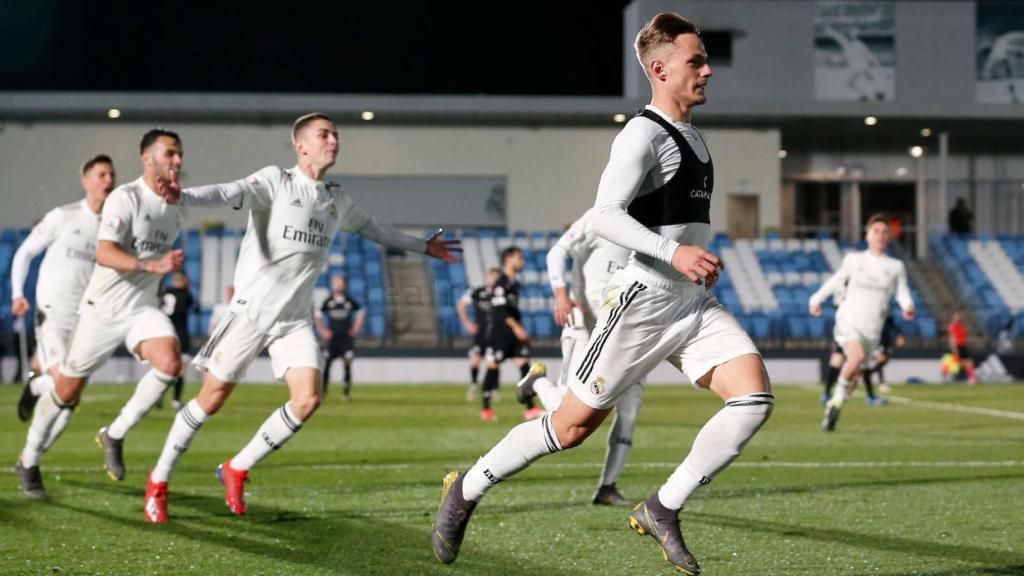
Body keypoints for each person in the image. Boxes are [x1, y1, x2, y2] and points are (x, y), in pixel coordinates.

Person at [432, 15, 774, 575]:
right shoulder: (641, 133)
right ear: (660, 70)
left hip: (689, 303)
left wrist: (689, 258)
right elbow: (604, 216)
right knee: (569, 429)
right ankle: (465, 489)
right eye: (697, 61)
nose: (708, 69)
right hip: (640, 303)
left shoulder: (693, 134)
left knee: (753, 399)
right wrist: (674, 253)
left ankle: (662, 507)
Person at [142, 113, 461, 523]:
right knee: (210, 400)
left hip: (293, 319)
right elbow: (226, 191)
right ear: (301, 145)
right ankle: (159, 481)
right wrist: (181, 197)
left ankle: (237, 467)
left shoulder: (336, 200)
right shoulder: (275, 182)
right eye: (324, 134)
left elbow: (377, 229)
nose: (334, 141)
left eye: (336, 135)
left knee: (308, 398)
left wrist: (423, 247)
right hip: (250, 313)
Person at [15, 131, 189, 499]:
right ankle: (29, 460)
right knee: (66, 392)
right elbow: (105, 253)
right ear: (147, 158)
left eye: (180, 154)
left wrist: (160, 270)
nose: (177, 160)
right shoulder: (124, 199)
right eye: (169, 153)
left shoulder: (177, 206)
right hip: (100, 312)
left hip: (141, 309)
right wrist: (153, 266)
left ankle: (114, 433)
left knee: (171, 363)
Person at [516, 207, 640, 506]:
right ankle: (538, 382)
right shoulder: (602, 217)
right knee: (564, 411)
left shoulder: (649, 230)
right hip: (584, 325)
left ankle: (607, 487)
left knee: (629, 414)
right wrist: (561, 293)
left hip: (628, 334)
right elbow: (556, 252)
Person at [10, 155, 116, 426]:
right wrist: (17, 294)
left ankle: (36, 383)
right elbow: (25, 253)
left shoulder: (113, 227)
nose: (109, 180)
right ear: (85, 182)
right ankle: (30, 455)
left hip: (85, 316)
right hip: (52, 311)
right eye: (101, 175)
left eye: (111, 175)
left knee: (71, 390)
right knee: (67, 389)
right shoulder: (64, 216)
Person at [810, 214, 914, 432]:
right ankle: (835, 399)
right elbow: (836, 280)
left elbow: (902, 292)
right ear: (867, 235)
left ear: (889, 237)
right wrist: (816, 299)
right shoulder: (854, 260)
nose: (880, 236)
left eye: (885, 232)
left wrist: (907, 306)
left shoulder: (895, 266)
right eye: (876, 231)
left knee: (854, 374)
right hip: (849, 320)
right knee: (855, 358)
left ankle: (835, 402)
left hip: (873, 330)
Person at [479, 247, 537, 421]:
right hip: (500, 334)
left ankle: (530, 408)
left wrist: (520, 330)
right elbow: (500, 311)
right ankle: (486, 409)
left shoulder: (514, 283)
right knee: (493, 367)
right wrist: (517, 328)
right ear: (508, 259)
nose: (523, 262)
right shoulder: (501, 283)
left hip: (513, 334)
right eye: (519, 258)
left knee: (525, 366)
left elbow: (511, 310)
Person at [315, 275, 365, 400]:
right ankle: (323, 391)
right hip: (333, 339)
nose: (338, 286)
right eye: (335, 283)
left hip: (346, 339)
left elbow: (361, 312)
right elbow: (317, 315)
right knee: (327, 364)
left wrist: (355, 329)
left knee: (347, 362)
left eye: (340, 283)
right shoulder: (329, 301)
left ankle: (345, 392)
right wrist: (323, 331)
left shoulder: (349, 301)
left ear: (345, 285)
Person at [456, 268, 498, 402]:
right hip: (480, 334)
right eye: (491, 277)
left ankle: (492, 389)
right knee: (475, 361)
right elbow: (461, 304)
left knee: (493, 363)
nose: (493, 280)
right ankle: (474, 385)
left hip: (495, 334)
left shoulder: (501, 295)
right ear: (487, 278)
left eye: (496, 278)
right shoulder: (477, 292)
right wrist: (466, 322)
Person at [160, 272, 198, 411]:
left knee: (163, 367)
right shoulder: (186, 293)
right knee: (181, 369)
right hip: (180, 335)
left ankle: (158, 396)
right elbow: (196, 308)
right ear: (184, 280)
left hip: (164, 333)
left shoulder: (166, 292)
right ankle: (176, 400)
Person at [862, 315, 905, 402]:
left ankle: (871, 375)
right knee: (881, 359)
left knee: (884, 360)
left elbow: (891, 324)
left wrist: (899, 335)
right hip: (877, 338)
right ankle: (880, 383)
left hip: (886, 338)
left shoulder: (887, 311)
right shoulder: (873, 311)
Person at [947, 310, 978, 385]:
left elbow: (964, 336)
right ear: (953, 317)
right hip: (958, 346)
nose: (958, 318)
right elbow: (952, 338)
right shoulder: (952, 326)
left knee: (968, 363)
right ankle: (971, 378)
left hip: (963, 345)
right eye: (956, 316)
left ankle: (973, 378)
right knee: (961, 363)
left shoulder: (961, 326)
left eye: (959, 316)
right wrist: (954, 348)